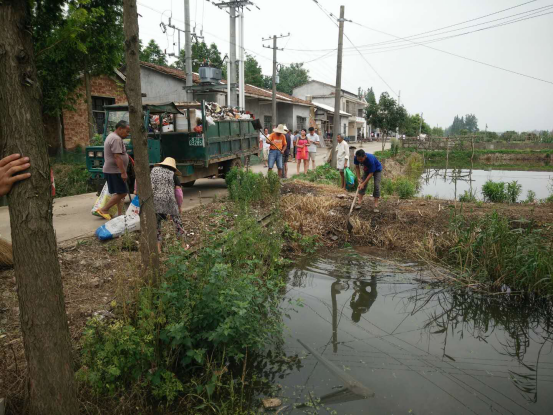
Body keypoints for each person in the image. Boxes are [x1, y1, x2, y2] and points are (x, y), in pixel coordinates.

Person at [150, 157, 186, 253]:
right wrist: (179, 206)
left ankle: (158, 249)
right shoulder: (172, 175)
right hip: (169, 202)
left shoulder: (152, 171)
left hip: (154, 202)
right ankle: (183, 245)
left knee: (157, 226)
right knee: (178, 223)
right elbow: (178, 193)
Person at [96, 120, 130, 220]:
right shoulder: (116, 139)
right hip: (114, 171)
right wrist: (123, 172)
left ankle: (120, 215)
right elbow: (117, 157)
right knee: (123, 192)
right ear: (120, 129)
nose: (127, 134)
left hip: (114, 170)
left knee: (119, 193)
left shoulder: (113, 137)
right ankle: (104, 209)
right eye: (126, 131)